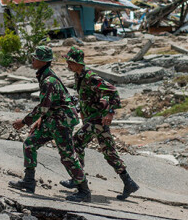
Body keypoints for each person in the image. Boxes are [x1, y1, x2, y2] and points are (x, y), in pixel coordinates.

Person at [8, 46, 91, 202]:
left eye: (35, 58)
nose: (32, 60)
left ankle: (84, 191)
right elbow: (48, 106)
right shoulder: (45, 76)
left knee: (67, 156)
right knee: (30, 143)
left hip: (61, 121)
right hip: (53, 119)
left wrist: (24, 122)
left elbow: (43, 107)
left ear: (43, 61)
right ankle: (29, 181)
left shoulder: (49, 81)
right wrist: (40, 120)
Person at [61, 47, 139, 200]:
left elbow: (113, 91)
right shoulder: (79, 76)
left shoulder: (91, 77)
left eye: (70, 62)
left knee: (76, 143)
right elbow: (85, 98)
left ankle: (78, 180)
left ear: (78, 63)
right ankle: (129, 183)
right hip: (92, 119)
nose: (68, 65)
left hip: (97, 119)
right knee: (109, 152)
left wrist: (110, 112)